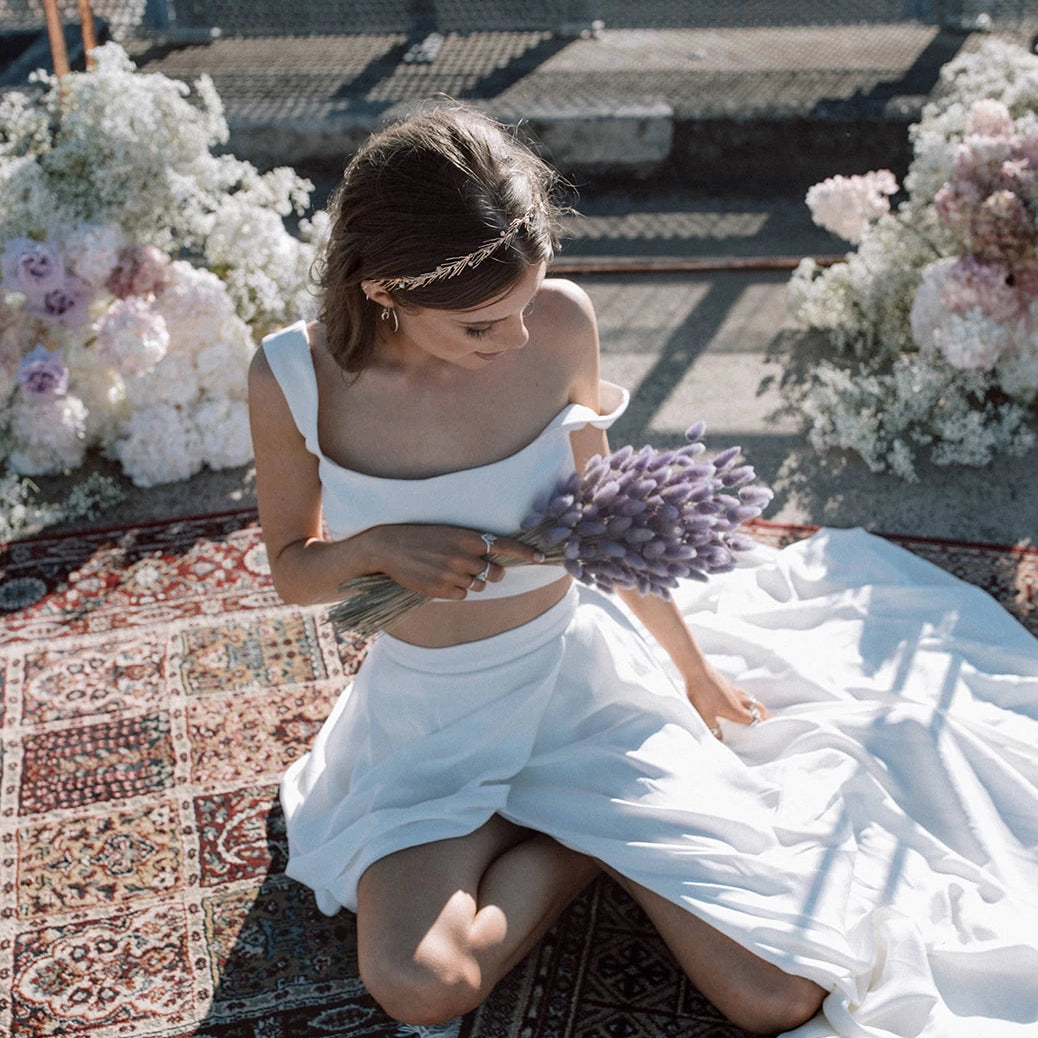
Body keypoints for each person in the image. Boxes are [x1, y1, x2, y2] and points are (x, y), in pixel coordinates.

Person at [250, 102, 1038, 1037]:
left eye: (522, 305)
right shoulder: (292, 378)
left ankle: (590, 828)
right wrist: (376, 550)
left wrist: (693, 674)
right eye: (478, 328)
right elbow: (295, 572)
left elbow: (609, 532)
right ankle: (575, 842)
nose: (516, 342)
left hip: (576, 689)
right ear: (384, 291)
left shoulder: (561, 323)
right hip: (428, 723)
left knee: (777, 996)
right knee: (425, 986)